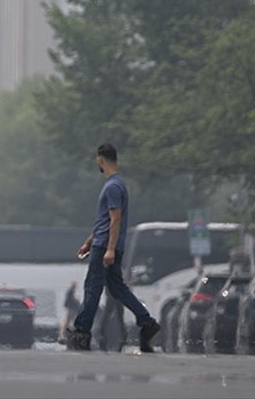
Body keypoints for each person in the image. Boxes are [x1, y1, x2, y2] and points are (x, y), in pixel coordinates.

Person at [67, 143, 161, 353]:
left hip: (106, 246)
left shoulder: (112, 186)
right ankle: (147, 323)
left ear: (100, 159)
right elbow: (105, 221)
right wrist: (88, 242)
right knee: (117, 288)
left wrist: (108, 248)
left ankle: (81, 331)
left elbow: (115, 218)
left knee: (92, 287)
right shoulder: (118, 184)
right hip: (105, 243)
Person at [58, 280, 80, 344]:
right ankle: (63, 333)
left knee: (69, 320)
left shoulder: (70, 291)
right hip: (71, 308)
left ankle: (64, 332)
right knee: (69, 320)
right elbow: (71, 300)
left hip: (71, 308)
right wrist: (77, 301)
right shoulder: (70, 291)